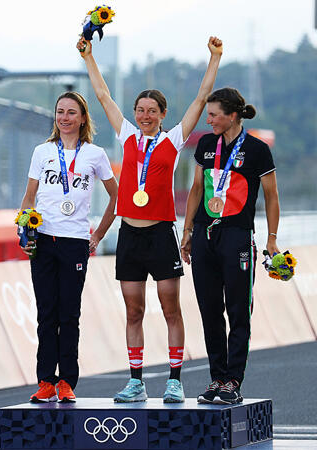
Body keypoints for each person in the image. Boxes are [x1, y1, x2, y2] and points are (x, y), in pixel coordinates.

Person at [77, 36, 223, 403]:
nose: (144, 115)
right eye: (140, 109)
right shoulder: (126, 134)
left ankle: (175, 380)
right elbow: (103, 97)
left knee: (171, 308)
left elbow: (201, 98)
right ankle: (136, 381)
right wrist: (89, 57)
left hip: (161, 235)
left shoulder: (173, 140)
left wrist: (214, 58)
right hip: (129, 235)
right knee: (134, 311)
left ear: (162, 114)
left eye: (151, 110)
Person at [180, 87, 279, 405]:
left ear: (233, 115)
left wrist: (272, 240)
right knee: (210, 311)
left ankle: (233, 380)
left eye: (213, 115)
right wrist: (187, 230)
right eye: (207, 114)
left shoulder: (257, 149)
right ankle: (217, 378)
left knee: (238, 311)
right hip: (204, 235)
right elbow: (196, 188)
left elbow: (272, 196)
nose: (207, 120)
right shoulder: (207, 145)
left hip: (237, 236)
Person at [20, 91, 118, 403]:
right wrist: (25, 230)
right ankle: (46, 380)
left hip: (75, 241)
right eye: (60, 112)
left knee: (68, 314)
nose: (64, 118)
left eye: (71, 112)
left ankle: (67, 382)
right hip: (44, 240)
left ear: (83, 118)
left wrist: (98, 234)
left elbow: (117, 197)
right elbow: (29, 197)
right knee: (46, 313)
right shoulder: (42, 151)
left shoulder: (95, 155)